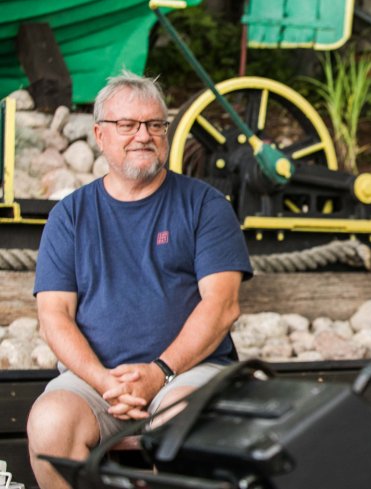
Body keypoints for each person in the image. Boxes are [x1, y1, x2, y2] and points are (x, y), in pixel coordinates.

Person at [27, 72, 253, 489]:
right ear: (99, 134)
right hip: (97, 380)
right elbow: (54, 314)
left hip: (189, 372)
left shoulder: (205, 205)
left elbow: (222, 305)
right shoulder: (70, 216)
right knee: (49, 421)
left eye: (154, 125)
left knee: (181, 422)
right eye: (128, 125)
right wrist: (103, 380)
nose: (143, 135)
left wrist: (159, 371)